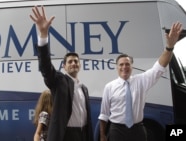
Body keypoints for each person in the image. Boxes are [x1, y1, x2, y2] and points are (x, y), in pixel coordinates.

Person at [98, 22, 183, 141]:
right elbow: (104, 114)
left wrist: (169, 47)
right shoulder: (109, 87)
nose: (124, 67)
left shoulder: (141, 81)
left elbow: (159, 67)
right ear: (117, 67)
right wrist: (102, 135)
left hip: (137, 130)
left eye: (127, 64)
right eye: (121, 64)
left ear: (132, 66)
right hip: (116, 131)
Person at [30, 5, 94, 141]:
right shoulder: (60, 81)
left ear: (80, 65)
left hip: (83, 135)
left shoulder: (84, 89)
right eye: (70, 61)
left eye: (76, 61)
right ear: (64, 66)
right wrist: (43, 36)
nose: (73, 63)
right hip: (66, 136)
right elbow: (46, 67)